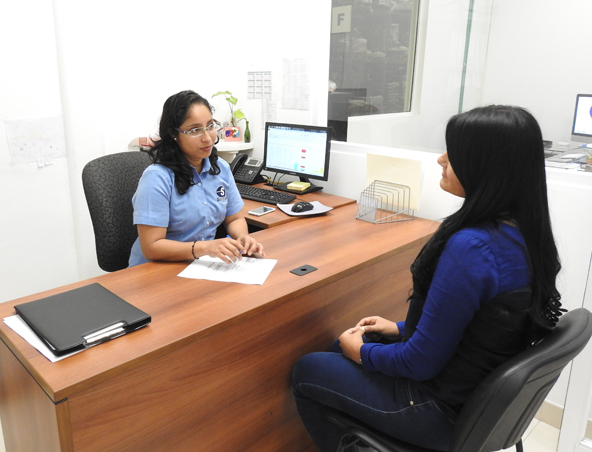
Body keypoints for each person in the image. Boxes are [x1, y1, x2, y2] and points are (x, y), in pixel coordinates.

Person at [292, 105, 563, 451]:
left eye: (454, 152)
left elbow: (418, 363)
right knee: (341, 348)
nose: (440, 159)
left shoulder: (474, 247)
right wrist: (399, 328)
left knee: (308, 369)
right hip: (477, 401)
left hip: (440, 408)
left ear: (486, 166)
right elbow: (479, 326)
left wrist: (362, 354)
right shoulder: (525, 232)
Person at [128, 90, 264, 267]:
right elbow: (151, 247)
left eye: (210, 126)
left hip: (199, 265)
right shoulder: (157, 178)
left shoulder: (221, 168)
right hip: (155, 270)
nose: (207, 138)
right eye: (195, 130)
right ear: (173, 134)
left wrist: (243, 238)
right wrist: (205, 248)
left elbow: (234, 219)